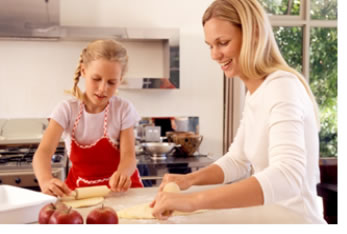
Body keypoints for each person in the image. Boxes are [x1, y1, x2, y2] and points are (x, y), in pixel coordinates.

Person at [150, 0, 326, 223]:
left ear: (253, 35)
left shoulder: (282, 87)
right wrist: (189, 180)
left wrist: (193, 201)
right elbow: (237, 161)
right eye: (210, 45)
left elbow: (288, 176)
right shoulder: (255, 93)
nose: (215, 54)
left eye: (222, 42)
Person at [33, 39, 143, 197]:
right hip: (80, 191)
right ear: (83, 71)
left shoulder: (123, 109)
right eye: (96, 79)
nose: (102, 88)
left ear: (120, 79)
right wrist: (45, 181)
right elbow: (43, 152)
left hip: (122, 191)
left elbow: (129, 156)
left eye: (111, 82)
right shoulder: (66, 110)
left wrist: (123, 173)